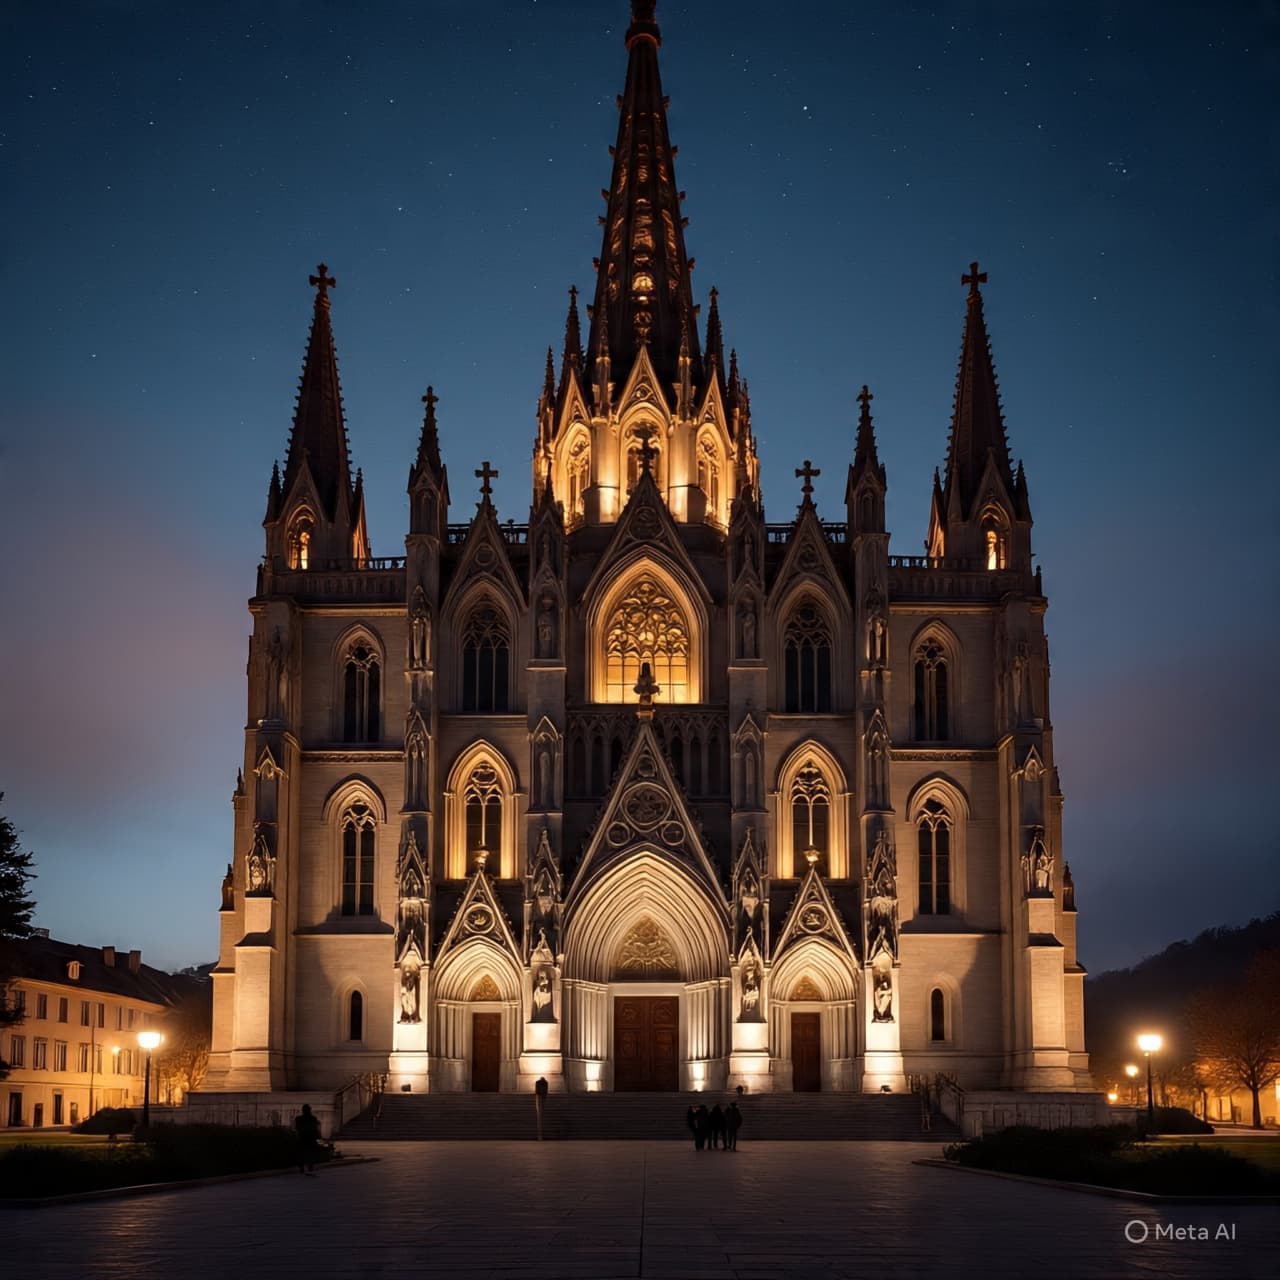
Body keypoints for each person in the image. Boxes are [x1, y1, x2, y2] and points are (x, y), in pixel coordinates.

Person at [295, 1103, 321, 1176]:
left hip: (303, 1138)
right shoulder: (313, 1118)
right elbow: (315, 1129)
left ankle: (302, 1167)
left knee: (302, 1153)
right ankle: (309, 1166)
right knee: (309, 1153)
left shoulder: (299, 1119)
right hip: (309, 1138)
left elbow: (297, 1128)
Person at [534, 1075, 549, 1140]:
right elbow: (546, 1090)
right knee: (541, 1112)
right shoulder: (545, 1082)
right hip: (543, 1097)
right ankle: (540, 1135)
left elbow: (537, 1090)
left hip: (539, 1097)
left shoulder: (538, 1082)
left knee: (539, 1112)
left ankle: (540, 1135)